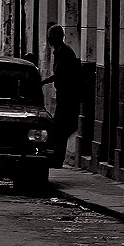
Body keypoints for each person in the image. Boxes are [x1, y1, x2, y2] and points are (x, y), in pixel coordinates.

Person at [41, 24, 81, 168]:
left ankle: (58, 159)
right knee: (60, 128)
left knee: (61, 128)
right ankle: (57, 158)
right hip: (64, 95)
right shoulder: (59, 51)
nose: (50, 39)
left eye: (52, 36)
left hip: (67, 96)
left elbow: (61, 75)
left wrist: (44, 81)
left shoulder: (63, 52)